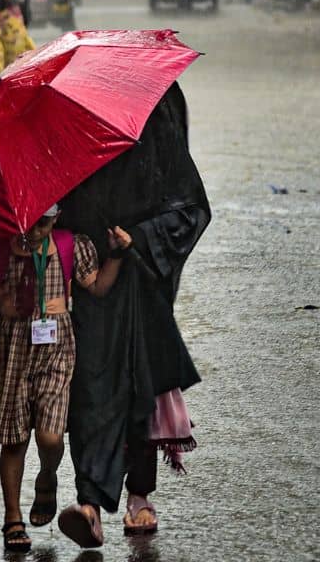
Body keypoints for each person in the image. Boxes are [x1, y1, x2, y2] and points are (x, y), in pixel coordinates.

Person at [54, 83, 210, 549]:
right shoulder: (72, 133)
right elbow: (59, 212)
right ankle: (89, 502)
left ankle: (138, 494)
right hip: (94, 282)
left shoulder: (156, 118)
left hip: (143, 283)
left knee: (141, 384)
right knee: (92, 387)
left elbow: (191, 209)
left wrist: (138, 238)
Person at [0, 204, 132, 553]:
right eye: (27, 222)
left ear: (56, 218)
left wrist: (116, 254)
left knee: (51, 435)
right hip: (9, 354)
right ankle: (13, 518)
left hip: (56, 351)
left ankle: (47, 475)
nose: (35, 230)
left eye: (43, 222)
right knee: (13, 441)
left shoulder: (73, 245)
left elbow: (97, 285)